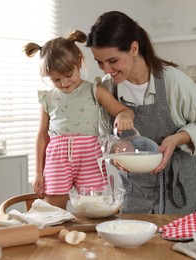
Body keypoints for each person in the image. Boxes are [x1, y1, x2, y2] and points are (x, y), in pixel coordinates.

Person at [86, 11, 196, 214]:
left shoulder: (174, 81)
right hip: (135, 197)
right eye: (99, 62)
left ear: (133, 48)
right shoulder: (107, 90)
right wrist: (116, 152)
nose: (106, 70)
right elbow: (103, 137)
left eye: (112, 61)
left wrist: (176, 139)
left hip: (181, 195)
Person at [25, 30, 135, 210]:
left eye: (69, 75)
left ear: (79, 63)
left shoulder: (95, 90)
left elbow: (123, 110)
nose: (64, 83)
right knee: (53, 214)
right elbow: (42, 136)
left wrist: (125, 116)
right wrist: (38, 172)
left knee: (93, 210)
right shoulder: (48, 98)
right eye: (56, 79)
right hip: (57, 159)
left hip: (90, 158)